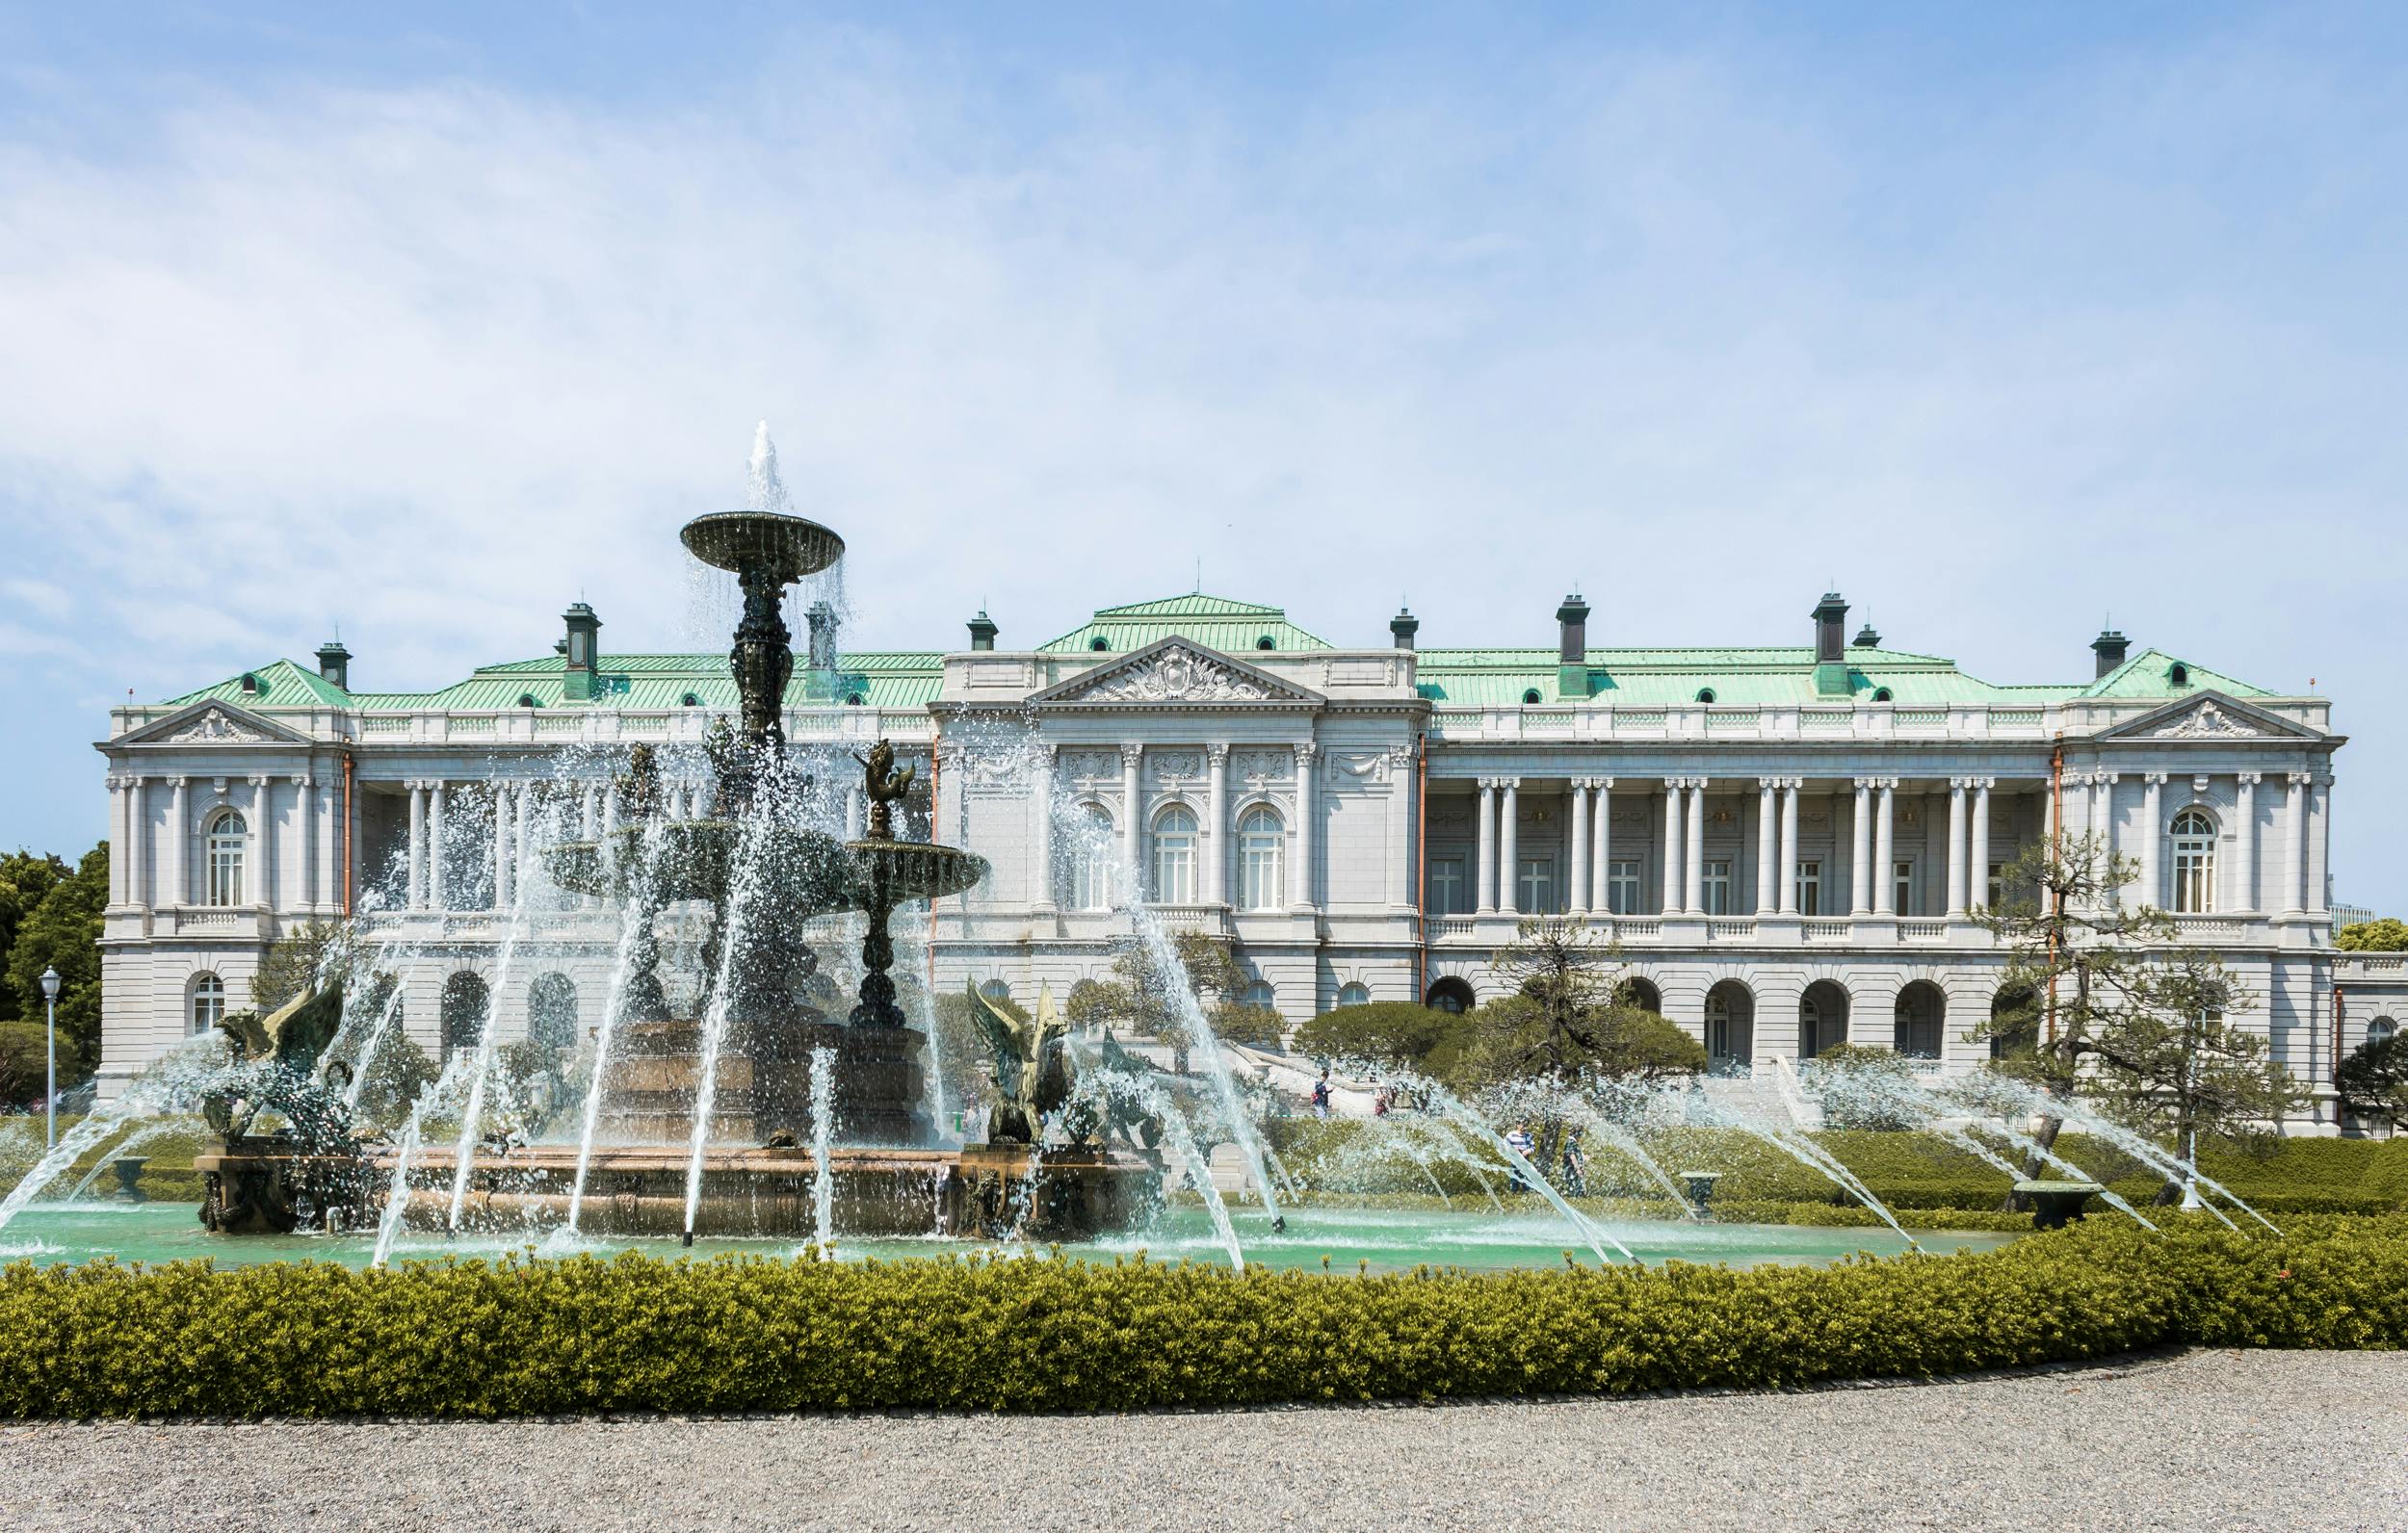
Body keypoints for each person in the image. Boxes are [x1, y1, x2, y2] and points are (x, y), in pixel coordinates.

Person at [1559, 1128, 1587, 1198]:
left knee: (1576, 1188)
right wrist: (1577, 1168)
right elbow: (1572, 1156)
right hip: (1571, 1169)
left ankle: (1576, 1198)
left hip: (1572, 1169)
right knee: (1574, 1189)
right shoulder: (1571, 1142)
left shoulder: (1573, 1142)